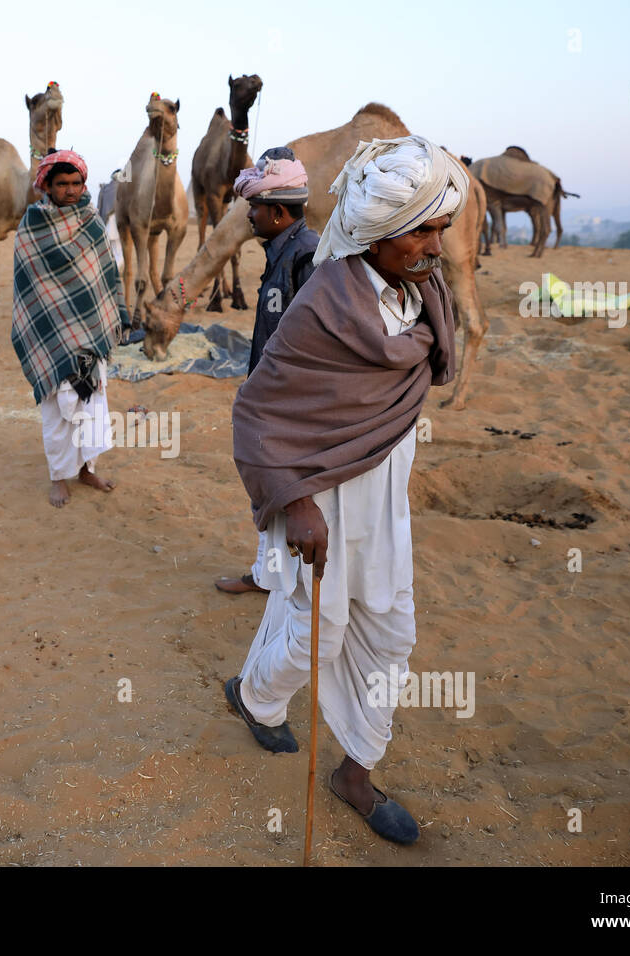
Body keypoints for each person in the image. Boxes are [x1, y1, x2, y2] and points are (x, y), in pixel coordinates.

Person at [225, 135, 468, 846]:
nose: (435, 244)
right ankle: (255, 697)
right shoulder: (323, 302)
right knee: (318, 631)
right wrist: (294, 501)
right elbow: (258, 411)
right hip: (324, 499)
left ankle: (356, 771)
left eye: (441, 227)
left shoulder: (424, 293)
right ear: (378, 229)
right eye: (421, 228)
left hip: (387, 499)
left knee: (393, 631)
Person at [213, 146, 319, 596]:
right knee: (269, 491)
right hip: (272, 397)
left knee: (287, 490)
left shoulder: (307, 258)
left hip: (292, 403)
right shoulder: (283, 251)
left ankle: (286, 586)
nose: (249, 216)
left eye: (254, 207)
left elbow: (315, 342)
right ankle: (267, 576)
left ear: (277, 211)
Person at [11, 149, 130, 508]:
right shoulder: (33, 225)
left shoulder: (92, 222)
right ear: (46, 185)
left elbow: (107, 275)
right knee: (57, 410)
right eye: (62, 184)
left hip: (90, 333)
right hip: (50, 336)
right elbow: (29, 283)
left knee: (92, 403)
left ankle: (86, 469)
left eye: (76, 183)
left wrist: (117, 313)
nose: (70, 190)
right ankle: (59, 476)